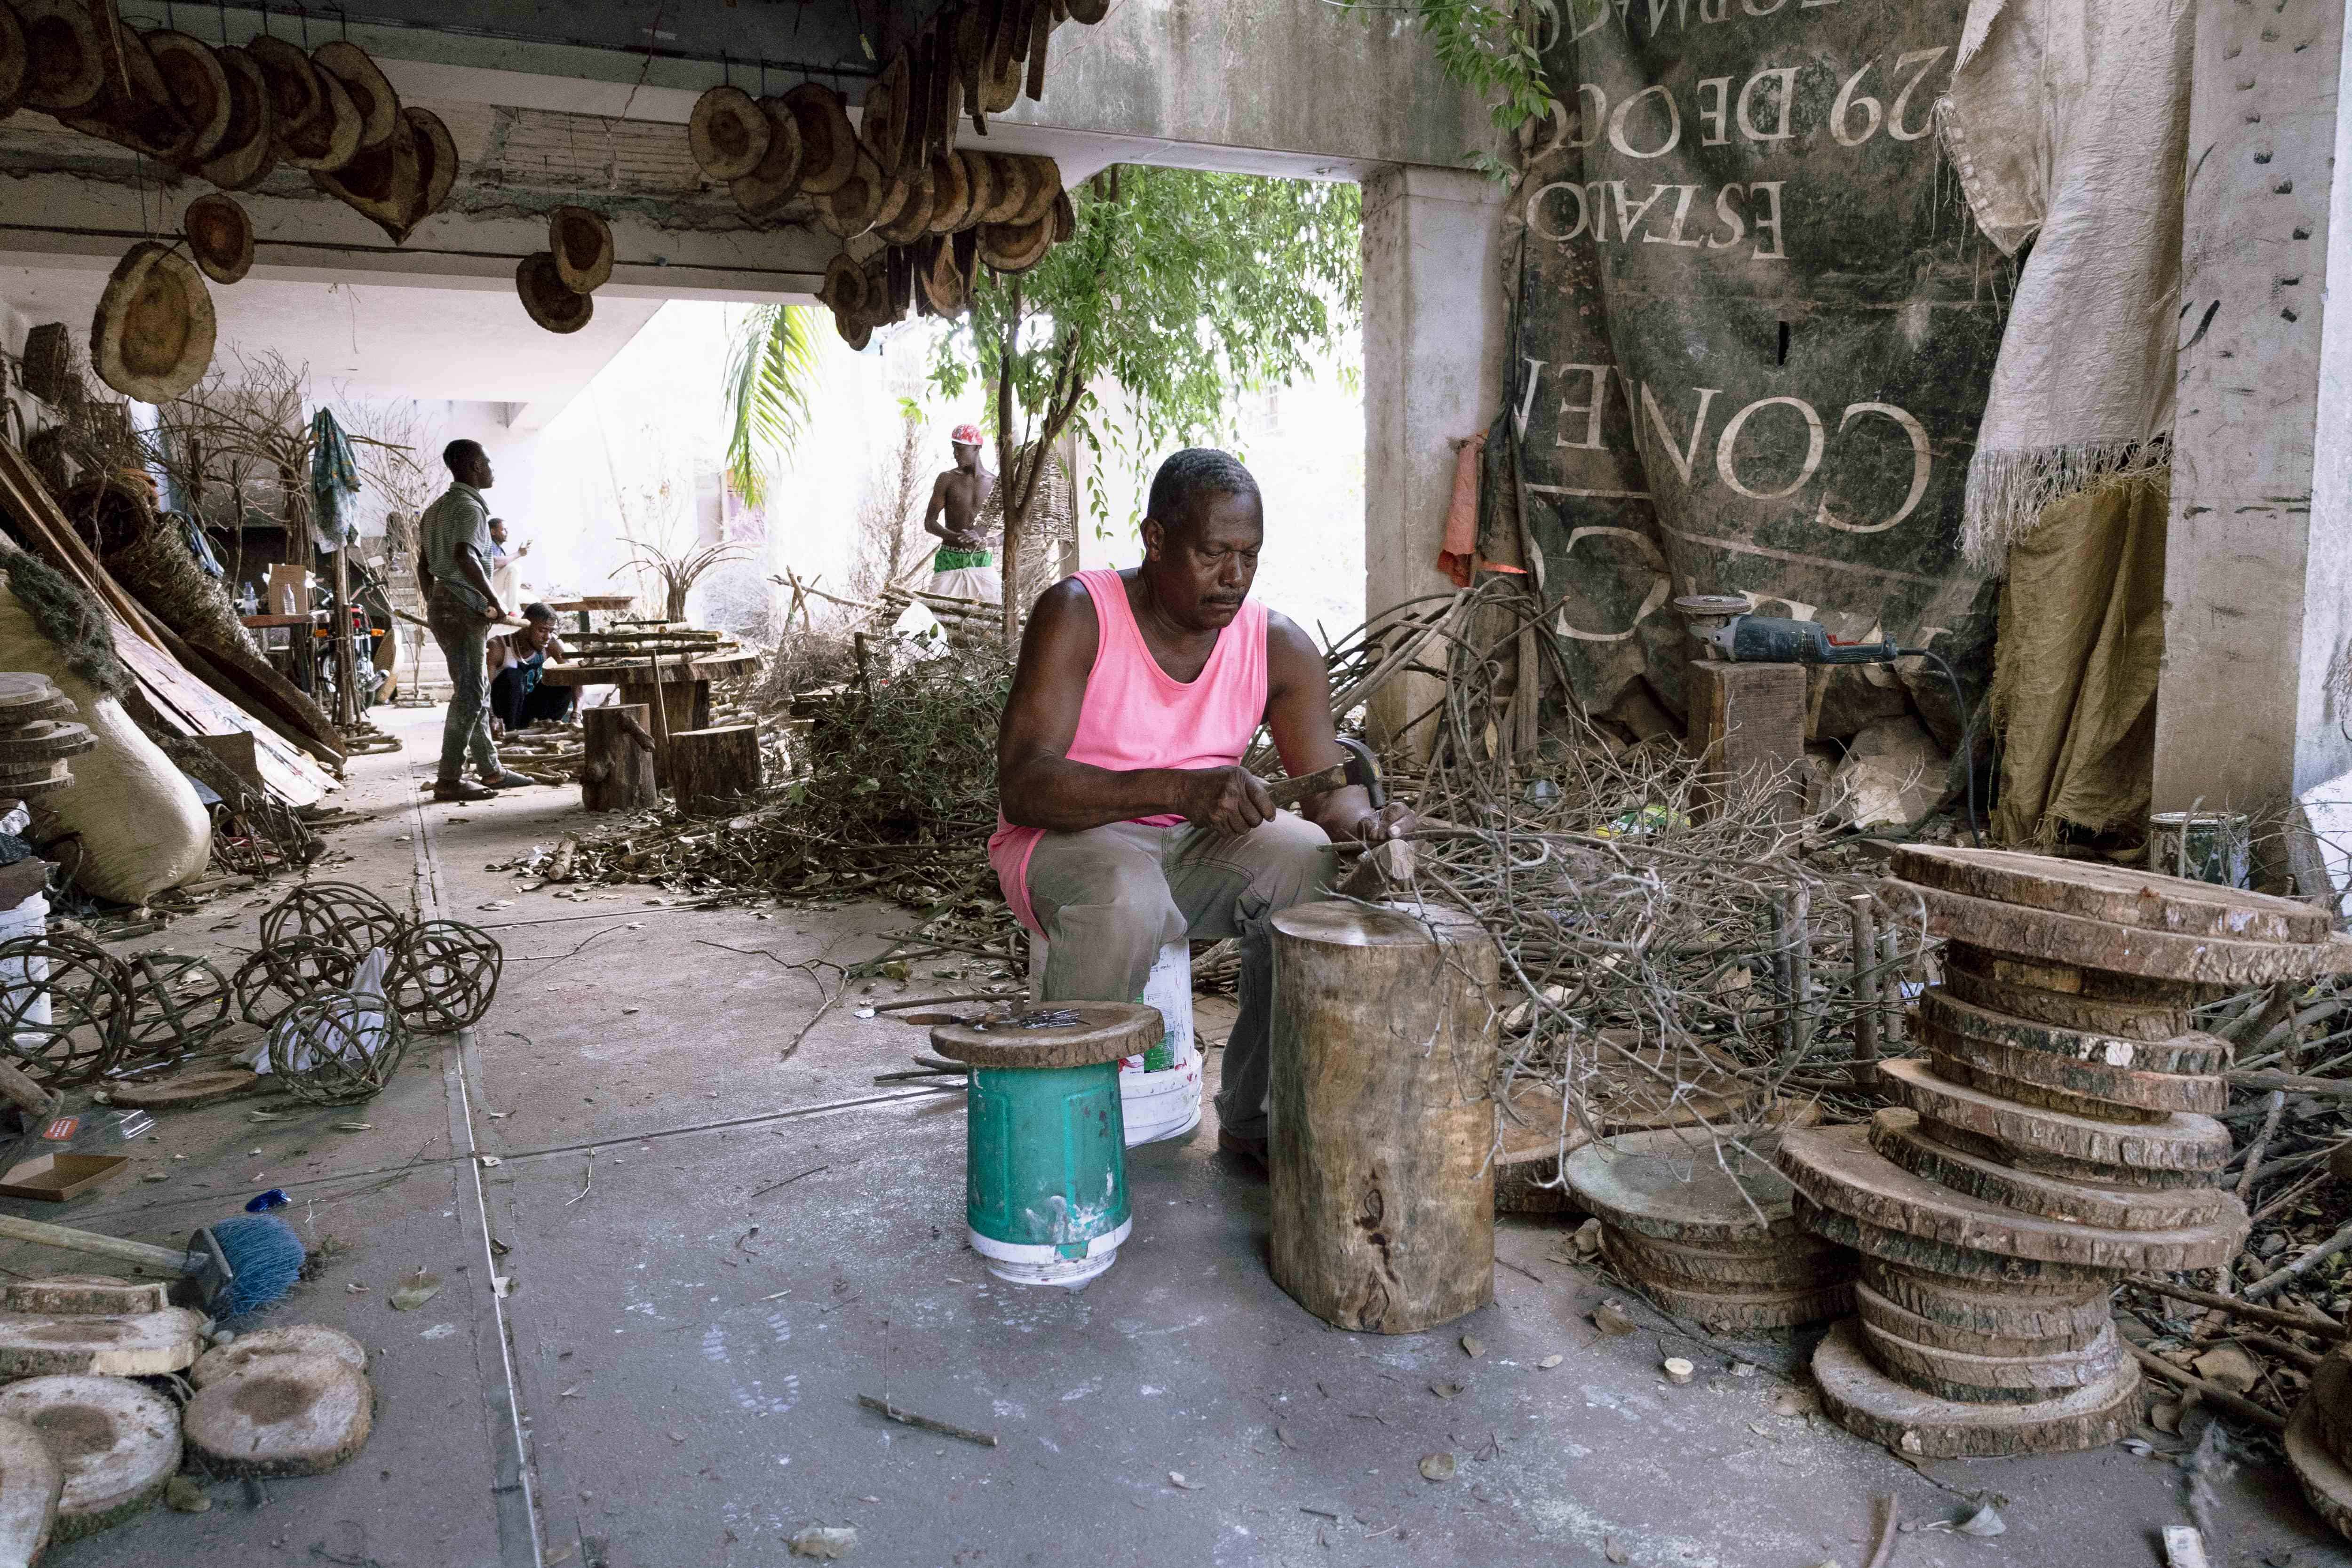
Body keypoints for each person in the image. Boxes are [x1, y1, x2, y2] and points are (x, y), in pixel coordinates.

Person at [991, 448, 1413, 1170]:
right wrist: (1178, 789)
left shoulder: (1275, 645)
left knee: (1301, 854)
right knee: (1127, 894)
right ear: (1155, 541)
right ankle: (1057, 1143)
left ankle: (1259, 1117)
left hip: (1190, 850)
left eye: (1249, 555)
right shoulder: (1080, 614)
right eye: (1214, 552)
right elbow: (1024, 786)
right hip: (1067, 844)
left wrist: (1368, 825)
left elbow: (1327, 787)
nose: (1235, 576)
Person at [417, 440, 532, 802]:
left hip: (444, 604)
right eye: (487, 461)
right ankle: (448, 779)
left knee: (475, 686)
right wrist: (496, 601)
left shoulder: (435, 510)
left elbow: (424, 566)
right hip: (463, 608)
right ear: (472, 466)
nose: (492, 467)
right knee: (470, 692)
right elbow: (465, 556)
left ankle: (491, 771)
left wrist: (435, 600)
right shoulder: (469, 509)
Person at [922, 423, 1001, 604]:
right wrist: (956, 538)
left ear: (977, 448)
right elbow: (930, 523)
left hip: (980, 559)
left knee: (995, 610)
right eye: (954, 448)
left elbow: (1011, 532)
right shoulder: (947, 479)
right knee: (936, 611)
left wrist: (985, 542)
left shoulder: (995, 484)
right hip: (949, 557)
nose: (955, 454)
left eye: (960, 449)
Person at [487, 603, 575, 735]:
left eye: (551, 631)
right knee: (513, 675)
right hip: (503, 714)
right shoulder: (498, 647)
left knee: (563, 678)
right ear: (525, 627)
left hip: (530, 711)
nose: (547, 637)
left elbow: (575, 677)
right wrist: (492, 717)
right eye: (542, 630)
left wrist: (576, 715)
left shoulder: (551, 644)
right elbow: (483, 690)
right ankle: (511, 733)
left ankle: (547, 729)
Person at [487, 517, 529, 609]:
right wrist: (519, 554)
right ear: (493, 532)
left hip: (496, 590)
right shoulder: (488, 544)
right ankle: (512, 610)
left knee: (533, 600)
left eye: (507, 529)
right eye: (504, 530)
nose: (507, 532)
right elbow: (494, 564)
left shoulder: (500, 550)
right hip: (486, 590)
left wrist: (519, 584)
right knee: (514, 568)